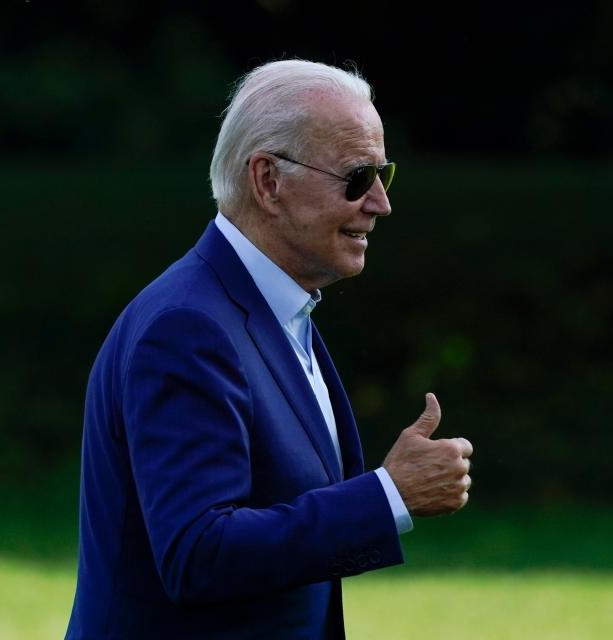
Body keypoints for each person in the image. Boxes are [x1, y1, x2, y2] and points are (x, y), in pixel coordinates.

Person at [65, 59, 473, 639]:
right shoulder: (187, 327)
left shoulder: (275, 308)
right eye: (357, 177)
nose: (380, 203)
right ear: (268, 182)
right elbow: (198, 555)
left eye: (385, 175)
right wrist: (388, 496)